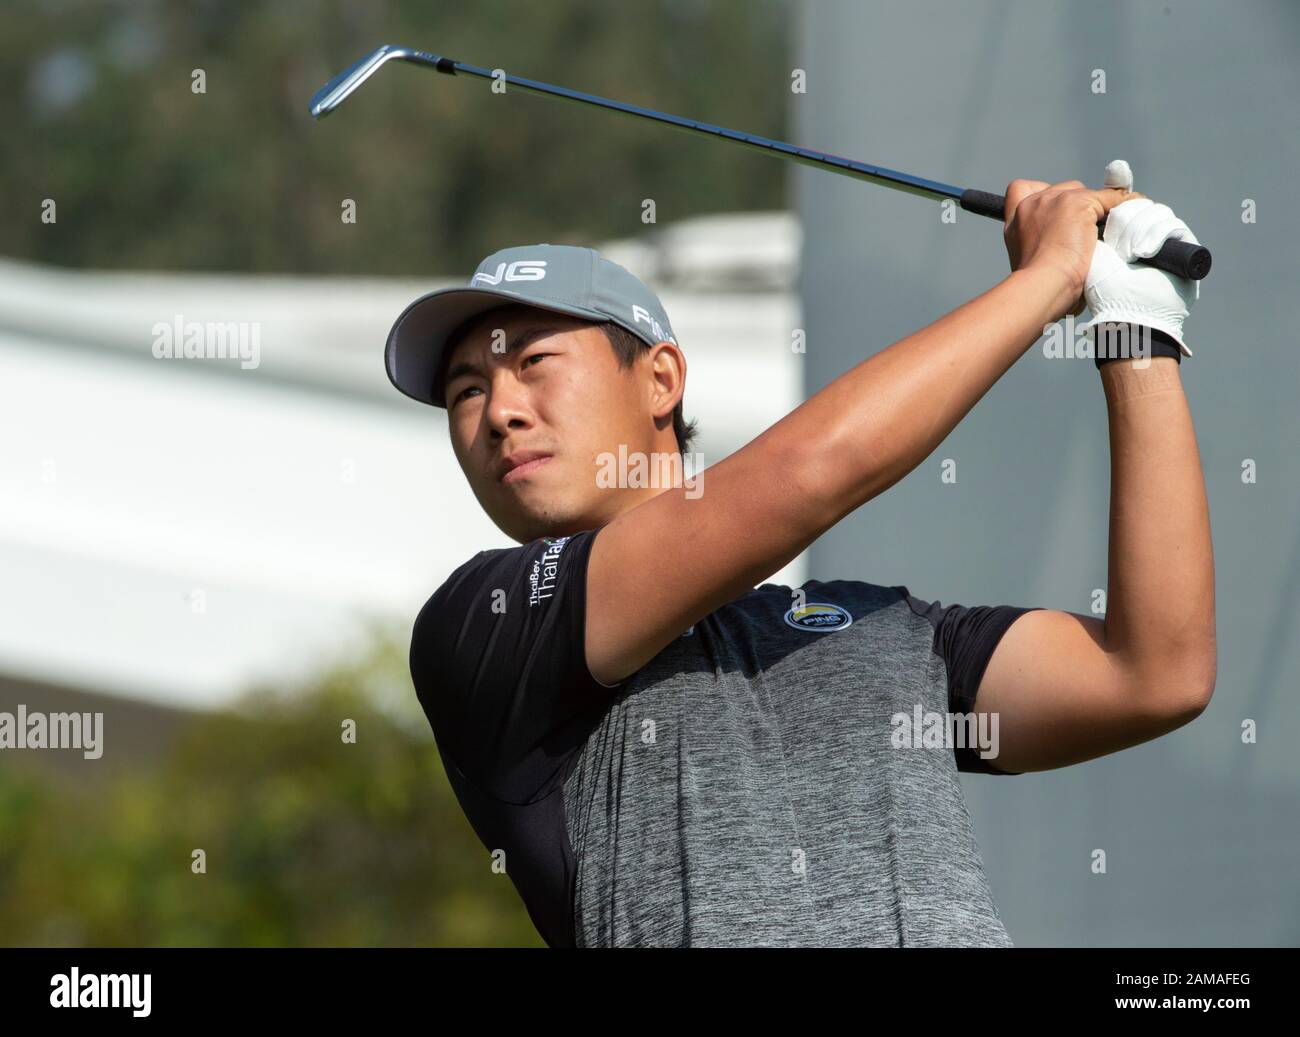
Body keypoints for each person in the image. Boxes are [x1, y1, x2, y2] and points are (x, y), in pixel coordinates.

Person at [386, 175, 1216, 947]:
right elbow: (809, 474)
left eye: (532, 363)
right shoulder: (485, 622)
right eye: (466, 391)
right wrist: (1049, 279)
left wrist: (1135, 334)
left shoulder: (883, 626)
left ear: (660, 378)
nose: (498, 412)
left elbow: (1154, 671)